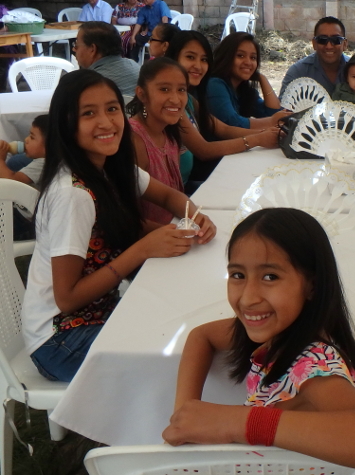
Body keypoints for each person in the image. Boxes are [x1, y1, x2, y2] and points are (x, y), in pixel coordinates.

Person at [162, 208, 355, 469]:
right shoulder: (279, 328)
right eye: (238, 275)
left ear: (312, 285)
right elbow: (202, 336)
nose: (248, 298)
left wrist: (236, 421)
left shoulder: (311, 364)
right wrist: (184, 418)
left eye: (270, 277)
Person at [21, 69, 216, 383]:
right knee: (181, 350)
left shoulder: (111, 166)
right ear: (66, 124)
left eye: (112, 109)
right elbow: (67, 298)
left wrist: (194, 215)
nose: (106, 122)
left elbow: (167, 195)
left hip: (98, 315)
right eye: (88, 113)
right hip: (59, 341)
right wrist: (141, 250)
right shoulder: (73, 195)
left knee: (188, 317)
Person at [165, 31, 280, 187]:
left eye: (204, 59)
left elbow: (223, 128)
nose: (198, 65)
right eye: (190, 57)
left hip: (184, 183)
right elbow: (204, 150)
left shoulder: (189, 98)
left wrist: (268, 134)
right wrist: (259, 138)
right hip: (183, 185)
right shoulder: (175, 101)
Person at [279, 17, 355, 115]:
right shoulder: (298, 72)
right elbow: (282, 110)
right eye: (322, 40)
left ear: (345, 44)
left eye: (336, 40)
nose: (329, 45)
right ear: (314, 44)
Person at [127, 57, 187, 223]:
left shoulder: (169, 132)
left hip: (175, 226)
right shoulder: (135, 140)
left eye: (181, 90)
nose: (176, 99)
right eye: (164, 89)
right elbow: (127, 217)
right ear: (142, 94)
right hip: (151, 239)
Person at [207, 32, 288, 129]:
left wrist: (262, 78)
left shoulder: (244, 90)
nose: (248, 62)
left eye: (253, 58)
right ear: (226, 56)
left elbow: (273, 113)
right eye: (240, 56)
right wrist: (271, 121)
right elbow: (233, 122)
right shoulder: (214, 85)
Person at [74, 21, 140, 96]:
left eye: (76, 45)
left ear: (92, 49)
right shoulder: (136, 67)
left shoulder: (87, 83)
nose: (74, 49)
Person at [0, 114, 48, 188]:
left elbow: (12, 182)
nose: (26, 139)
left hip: (33, 198)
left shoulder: (42, 164)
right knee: (15, 160)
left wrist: (0, 160)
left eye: (32, 137)